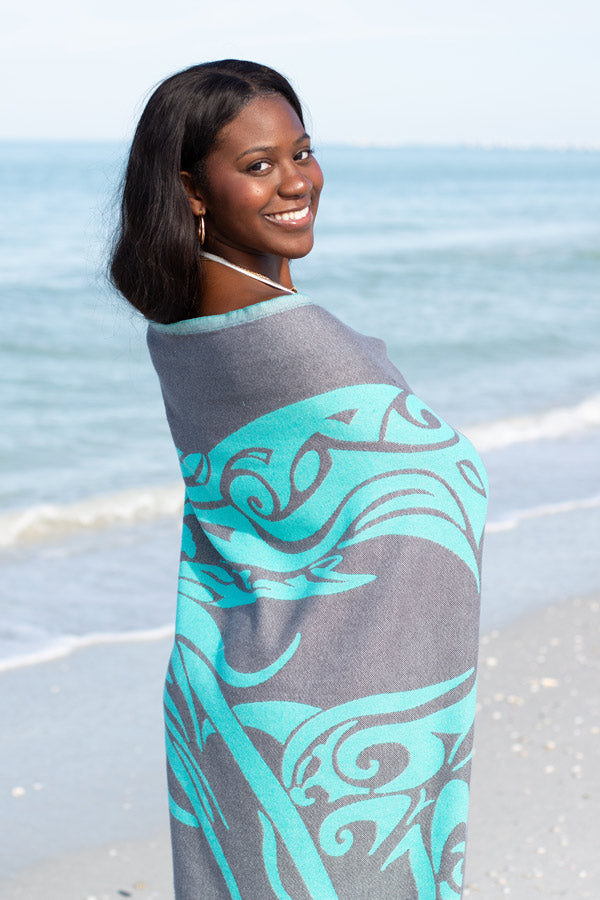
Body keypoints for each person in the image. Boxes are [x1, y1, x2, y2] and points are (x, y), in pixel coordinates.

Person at [110, 59, 488, 900]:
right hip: (319, 730)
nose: (297, 182)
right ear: (192, 190)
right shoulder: (283, 340)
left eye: (302, 153)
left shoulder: (193, 327)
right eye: (259, 165)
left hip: (261, 702)